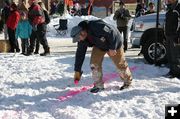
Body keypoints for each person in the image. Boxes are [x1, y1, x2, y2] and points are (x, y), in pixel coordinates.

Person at [71, 20, 133, 93]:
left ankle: (127, 82)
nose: (79, 40)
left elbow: (112, 32)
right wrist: (77, 70)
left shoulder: (96, 26)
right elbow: (80, 54)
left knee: (120, 63)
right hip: (99, 45)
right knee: (94, 63)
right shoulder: (82, 40)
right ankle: (98, 85)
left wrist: (112, 47)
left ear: (82, 33)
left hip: (114, 42)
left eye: (79, 38)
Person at [165, 0, 180, 78]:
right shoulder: (169, 8)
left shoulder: (178, 8)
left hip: (175, 36)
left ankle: (177, 73)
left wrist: (177, 36)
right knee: (170, 55)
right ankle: (172, 71)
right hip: (168, 35)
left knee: (175, 56)